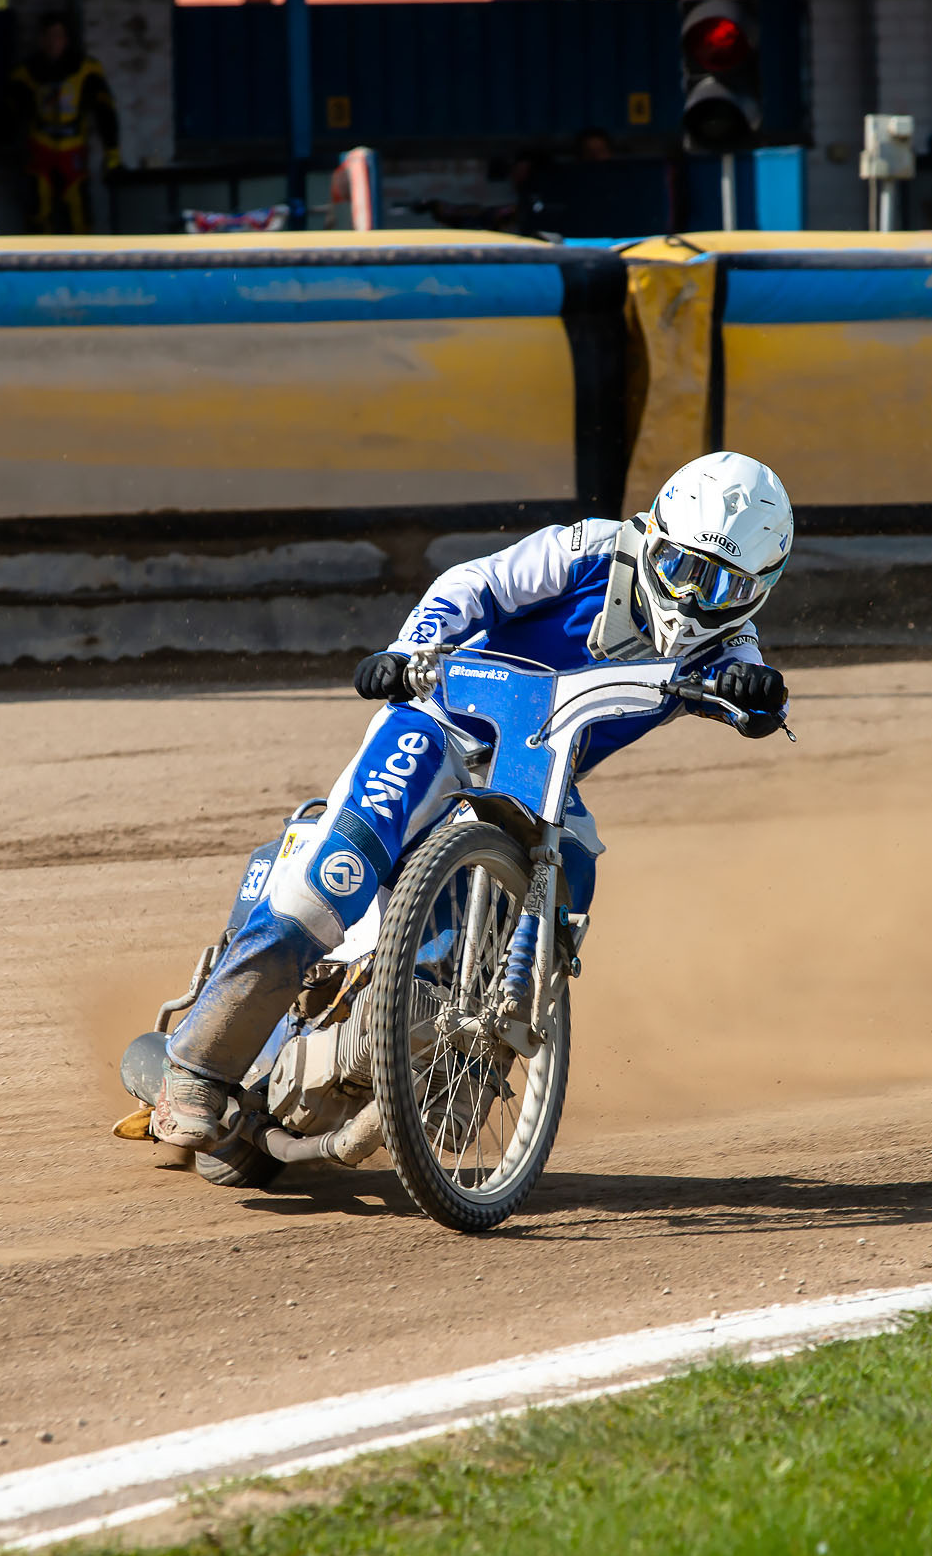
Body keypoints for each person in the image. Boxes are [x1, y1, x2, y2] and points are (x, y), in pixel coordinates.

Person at [148, 452, 797, 1151]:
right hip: (440, 724)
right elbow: (476, 582)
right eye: (680, 567)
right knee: (328, 880)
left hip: (536, 774)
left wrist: (758, 703)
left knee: (574, 874)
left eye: (721, 584)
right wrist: (413, 646)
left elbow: (753, 686)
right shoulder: (589, 549)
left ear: (759, 589)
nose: (692, 598)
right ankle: (196, 1070)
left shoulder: (729, 647)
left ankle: (470, 1065)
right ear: (653, 535)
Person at [6, 12, 121, 233]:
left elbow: (105, 110)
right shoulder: (25, 73)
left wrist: (112, 151)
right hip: (39, 149)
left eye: (57, 36)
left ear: (66, 39)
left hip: (74, 149)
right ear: (40, 39)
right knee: (37, 211)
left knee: (80, 213)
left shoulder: (86, 68)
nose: (52, 42)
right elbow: (8, 114)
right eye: (48, 36)